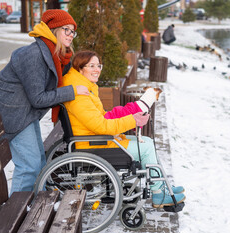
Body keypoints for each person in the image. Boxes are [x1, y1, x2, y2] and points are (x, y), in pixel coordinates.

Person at [62, 50, 185, 207]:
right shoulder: (80, 97)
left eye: (98, 65)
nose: (97, 69)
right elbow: (101, 126)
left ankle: (162, 186)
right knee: (146, 147)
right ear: (80, 69)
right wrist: (132, 120)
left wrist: (132, 111)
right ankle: (158, 193)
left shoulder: (85, 88)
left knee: (147, 141)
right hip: (93, 145)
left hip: (97, 140)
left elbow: (103, 118)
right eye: (91, 66)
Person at [0, 9, 90, 194]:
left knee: (39, 163)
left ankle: (34, 205)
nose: (70, 35)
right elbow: (39, 98)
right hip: (14, 116)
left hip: (25, 113)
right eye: (65, 29)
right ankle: (17, 214)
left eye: (72, 31)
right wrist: (72, 91)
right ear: (54, 30)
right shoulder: (35, 55)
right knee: (29, 167)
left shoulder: (54, 53)